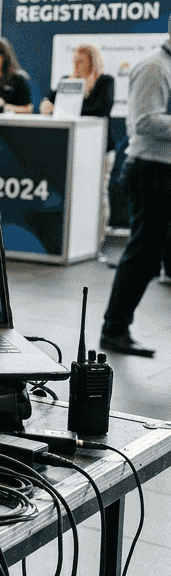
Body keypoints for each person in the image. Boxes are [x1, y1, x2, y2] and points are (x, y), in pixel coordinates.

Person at [99, 21, 171, 357]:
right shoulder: (155, 66)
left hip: (163, 170)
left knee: (152, 252)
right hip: (151, 171)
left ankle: (117, 326)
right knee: (144, 254)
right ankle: (114, 329)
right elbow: (145, 121)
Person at [43, 44, 116, 258]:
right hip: (74, 148)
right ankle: (76, 241)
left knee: (99, 193)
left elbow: (101, 109)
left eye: (81, 61)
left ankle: (98, 241)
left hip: (101, 147)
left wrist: (63, 109)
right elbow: (49, 101)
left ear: (92, 61)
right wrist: (49, 106)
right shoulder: (68, 81)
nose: (77, 65)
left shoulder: (105, 81)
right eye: (74, 61)